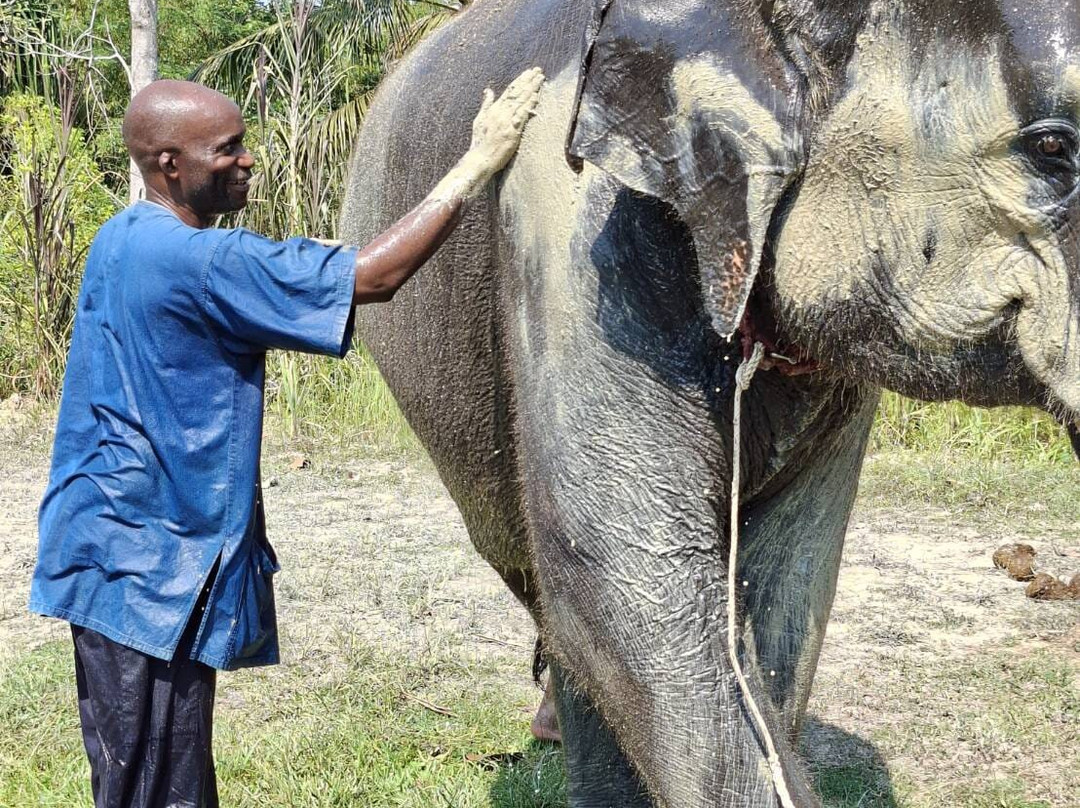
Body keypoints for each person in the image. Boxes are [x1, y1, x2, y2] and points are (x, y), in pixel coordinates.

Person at [28, 69, 544, 808]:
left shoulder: (126, 236)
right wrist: (478, 163)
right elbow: (375, 277)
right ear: (170, 164)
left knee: (144, 773)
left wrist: (302, 264)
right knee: (154, 787)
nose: (246, 159)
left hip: (111, 544)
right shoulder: (205, 263)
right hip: (147, 568)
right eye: (227, 148)